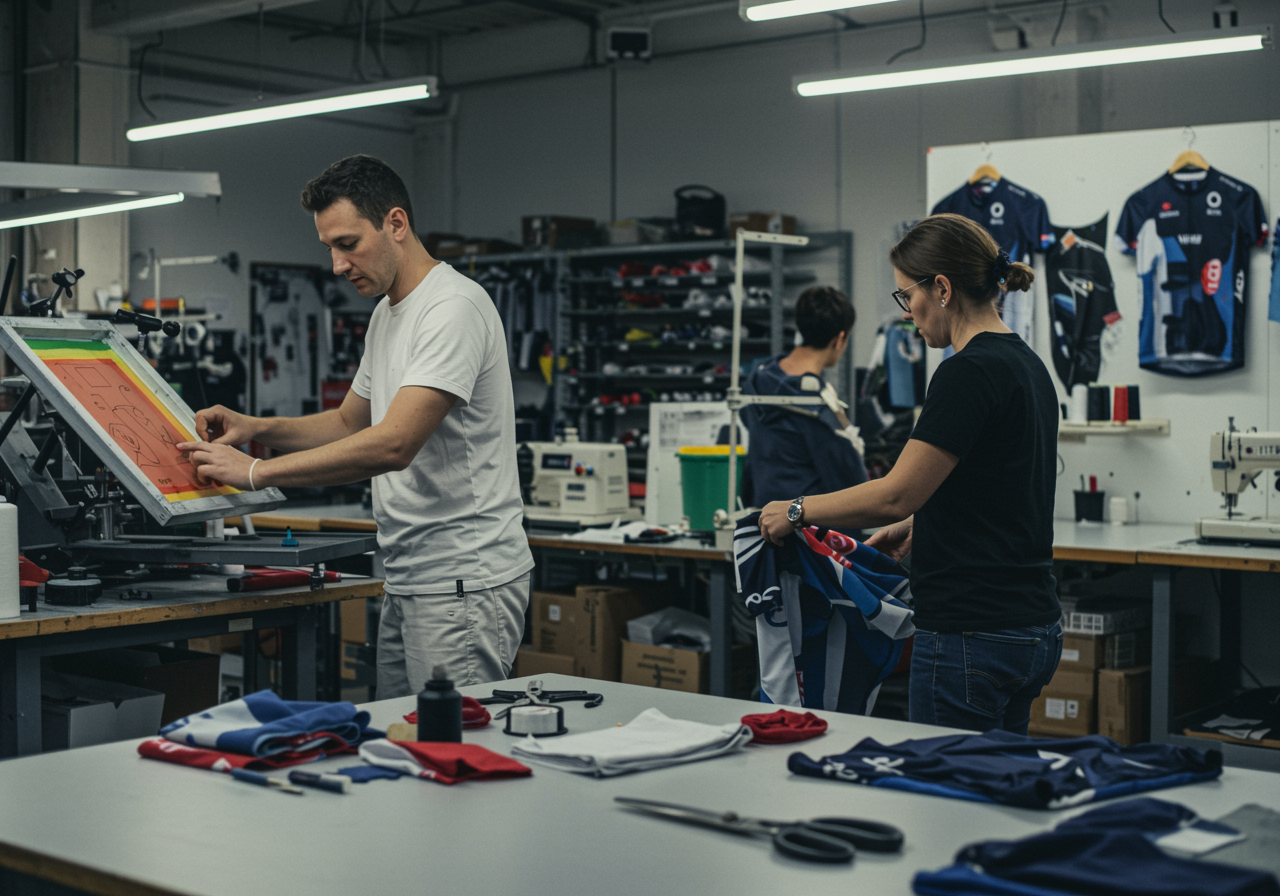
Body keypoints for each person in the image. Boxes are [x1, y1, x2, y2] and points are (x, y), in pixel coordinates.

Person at [177, 154, 534, 697]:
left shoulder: (453, 308)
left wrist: (253, 472)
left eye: (348, 244)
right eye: (329, 249)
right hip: (410, 573)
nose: (338, 266)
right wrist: (255, 427)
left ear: (395, 223)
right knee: (400, 745)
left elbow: (393, 444)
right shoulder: (388, 312)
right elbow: (350, 421)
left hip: (463, 578)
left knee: (454, 756)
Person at [758, 213, 1062, 735]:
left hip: (972, 633)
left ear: (941, 288)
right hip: (1030, 627)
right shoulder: (1027, 365)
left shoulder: (965, 371)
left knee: (947, 803)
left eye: (907, 297)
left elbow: (895, 495)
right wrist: (927, 524)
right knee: (1000, 791)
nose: (909, 315)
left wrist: (796, 510)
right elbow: (1001, 488)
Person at [740, 285, 867, 509]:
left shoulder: (757, 380)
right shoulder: (818, 410)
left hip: (762, 517)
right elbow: (852, 485)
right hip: (804, 530)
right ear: (840, 339)